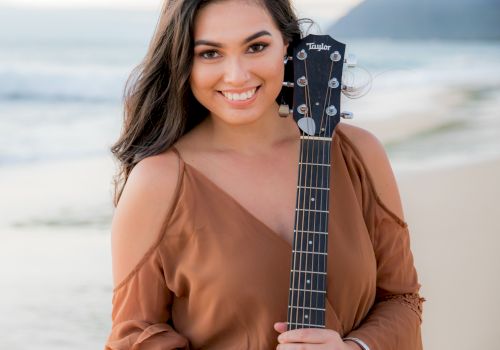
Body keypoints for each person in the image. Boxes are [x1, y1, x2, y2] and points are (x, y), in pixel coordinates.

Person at [104, 0, 425, 349]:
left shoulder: (359, 154)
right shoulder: (159, 180)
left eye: (256, 47)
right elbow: (135, 337)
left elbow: (402, 298)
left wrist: (354, 348)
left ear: (287, 47)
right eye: (210, 53)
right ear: (184, 62)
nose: (237, 75)